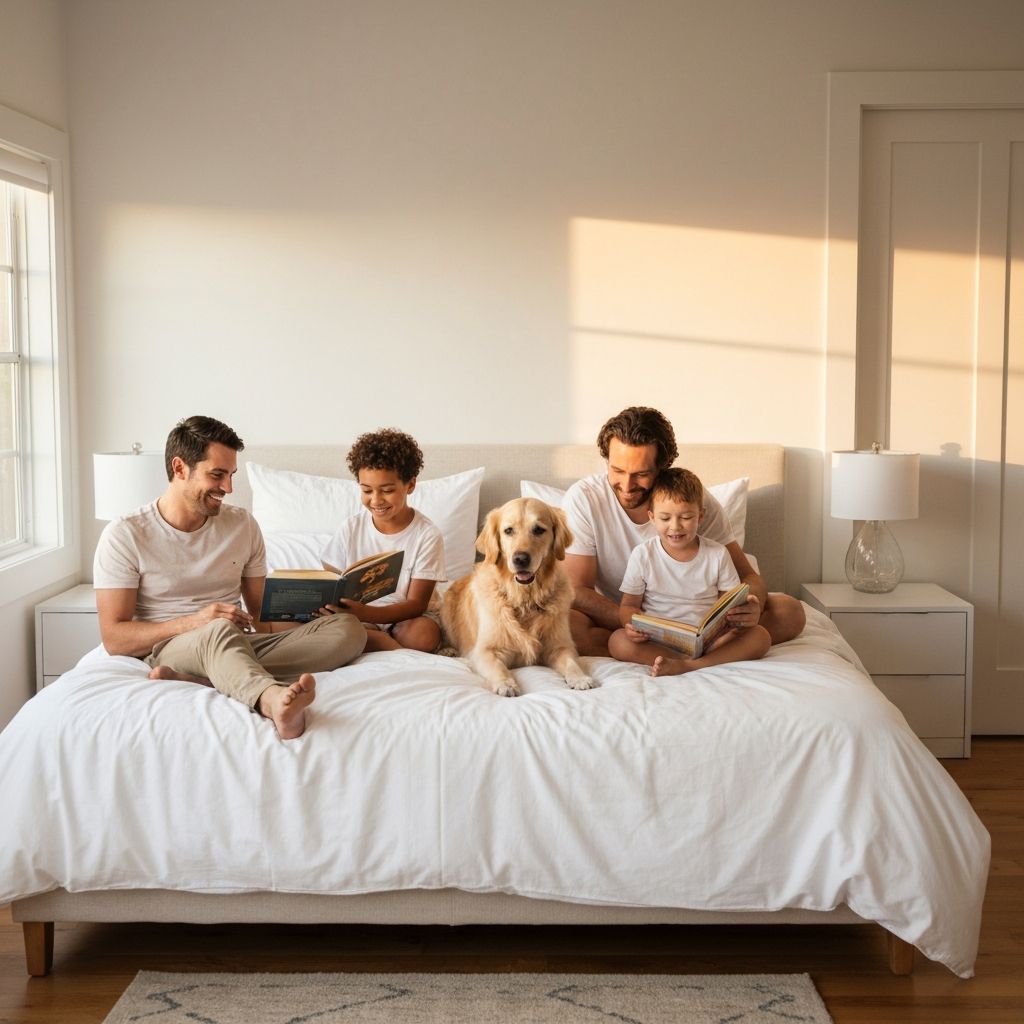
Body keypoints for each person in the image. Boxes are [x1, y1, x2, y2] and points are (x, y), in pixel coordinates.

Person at [93, 415, 366, 740]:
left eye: (231, 475)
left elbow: (261, 618)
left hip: (239, 641)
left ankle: (210, 679)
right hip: (170, 645)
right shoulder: (125, 535)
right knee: (217, 629)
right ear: (180, 469)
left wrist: (313, 611)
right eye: (217, 475)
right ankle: (271, 700)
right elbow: (114, 638)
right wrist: (197, 621)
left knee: (349, 629)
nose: (228, 488)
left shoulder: (242, 525)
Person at [563, 405, 806, 659]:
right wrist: (642, 624)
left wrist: (749, 607)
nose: (626, 485)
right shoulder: (584, 499)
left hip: (700, 618)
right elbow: (576, 589)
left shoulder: (694, 502)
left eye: (642, 474)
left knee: (790, 611)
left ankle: (691, 652)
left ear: (663, 467)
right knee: (566, 625)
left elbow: (749, 576)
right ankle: (687, 652)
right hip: (623, 616)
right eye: (617, 470)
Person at [608, 467, 771, 675]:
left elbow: (726, 605)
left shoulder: (718, 554)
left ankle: (689, 665)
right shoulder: (642, 555)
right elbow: (628, 606)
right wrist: (631, 625)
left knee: (760, 636)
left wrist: (735, 620)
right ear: (652, 517)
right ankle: (685, 660)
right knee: (618, 641)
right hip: (659, 641)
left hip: (710, 642)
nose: (675, 527)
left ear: (700, 516)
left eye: (685, 517)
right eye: (665, 518)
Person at [321, 428, 446, 653]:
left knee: (424, 634)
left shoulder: (427, 535)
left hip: (406, 619)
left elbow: (416, 604)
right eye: (366, 490)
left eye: (387, 490)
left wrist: (366, 613)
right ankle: (383, 643)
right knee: (325, 628)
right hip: (357, 618)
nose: (376, 500)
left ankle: (375, 641)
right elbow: (330, 578)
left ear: (410, 485)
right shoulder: (351, 528)